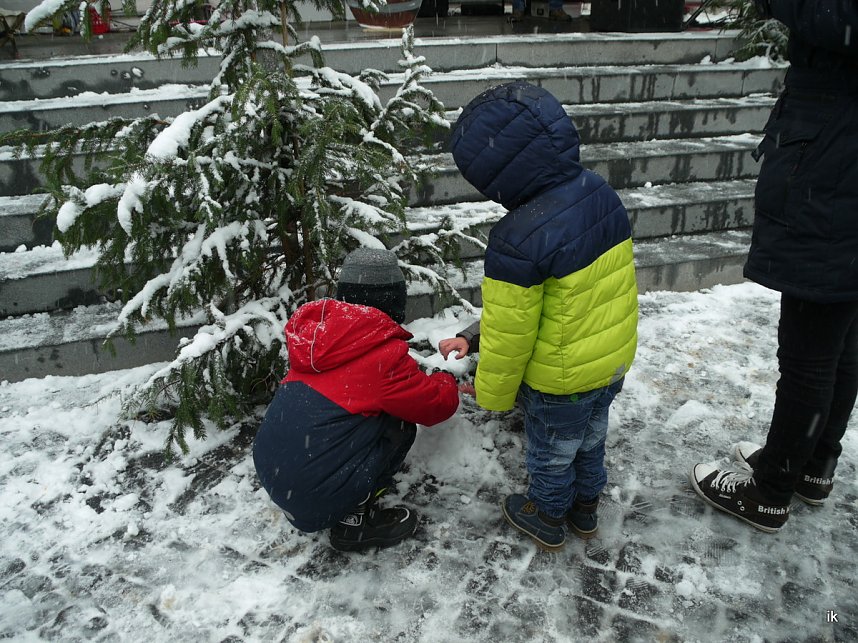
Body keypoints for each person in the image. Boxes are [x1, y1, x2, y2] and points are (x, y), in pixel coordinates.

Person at [444, 81, 639, 550]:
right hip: (608, 364)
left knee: (551, 454)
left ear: (493, 176)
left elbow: (513, 335)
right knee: (591, 441)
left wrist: (490, 392)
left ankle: (548, 515)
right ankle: (586, 509)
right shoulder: (600, 193)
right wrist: (473, 337)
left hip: (560, 382)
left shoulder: (517, 238)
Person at [689, 1, 858, 533]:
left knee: (810, 353)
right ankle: (812, 464)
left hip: (834, 170)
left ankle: (771, 489)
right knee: (842, 338)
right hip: (840, 157)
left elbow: (835, 19)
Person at [253, 248, 460, 551]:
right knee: (398, 424)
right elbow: (434, 406)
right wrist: (447, 379)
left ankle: (325, 493)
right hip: (313, 498)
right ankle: (355, 523)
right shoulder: (381, 356)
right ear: (393, 299)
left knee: (351, 417)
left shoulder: (319, 341)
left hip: (276, 477)